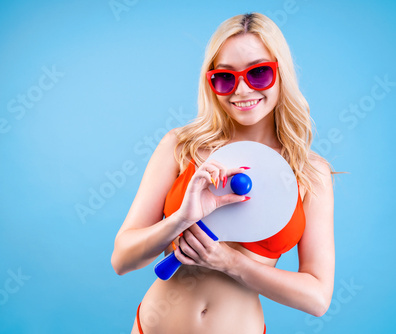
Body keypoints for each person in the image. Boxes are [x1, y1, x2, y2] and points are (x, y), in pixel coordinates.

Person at [111, 12, 335, 334]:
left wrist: (229, 262)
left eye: (259, 73)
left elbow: (317, 297)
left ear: (281, 73)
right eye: (225, 78)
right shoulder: (180, 147)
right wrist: (178, 222)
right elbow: (122, 260)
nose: (242, 90)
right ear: (211, 82)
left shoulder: (309, 172)